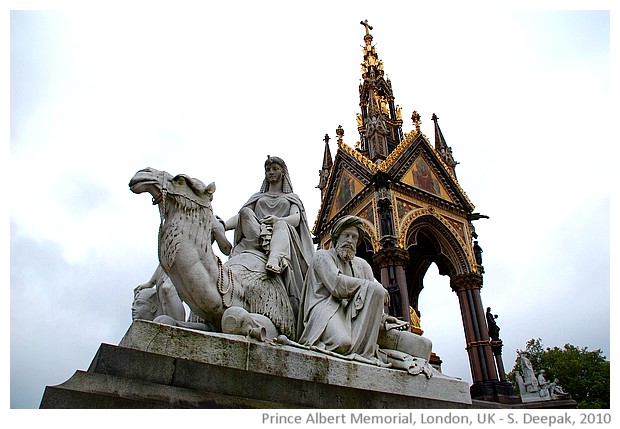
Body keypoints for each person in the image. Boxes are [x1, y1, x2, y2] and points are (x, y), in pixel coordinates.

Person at [297, 215, 432, 367]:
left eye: (354, 237)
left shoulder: (362, 265)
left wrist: (382, 318)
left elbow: (372, 296)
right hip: (327, 311)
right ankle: (375, 354)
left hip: (358, 318)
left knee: (422, 346)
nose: (349, 240)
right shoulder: (322, 256)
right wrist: (372, 287)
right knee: (343, 343)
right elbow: (337, 285)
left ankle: (378, 352)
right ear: (336, 238)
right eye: (346, 235)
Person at [223, 156, 315, 317]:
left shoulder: (291, 198)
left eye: (274, 169)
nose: (270, 172)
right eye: (268, 169)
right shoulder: (258, 197)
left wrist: (278, 219)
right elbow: (241, 217)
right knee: (246, 211)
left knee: (282, 225)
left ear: (283, 172)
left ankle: (275, 258)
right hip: (256, 235)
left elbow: (295, 219)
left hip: (280, 236)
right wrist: (223, 226)